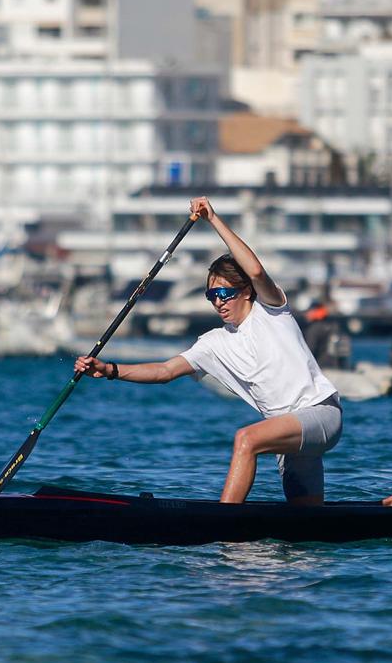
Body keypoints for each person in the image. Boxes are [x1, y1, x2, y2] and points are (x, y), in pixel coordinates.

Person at [74, 197, 343, 504]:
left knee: (246, 439)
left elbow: (255, 270)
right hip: (286, 436)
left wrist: (213, 219)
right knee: (307, 527)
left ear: (246, 292)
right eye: (211, 295)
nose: (218, 302)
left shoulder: (271, 309)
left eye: (224, 293)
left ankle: (223, 525)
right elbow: (165, 371)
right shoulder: (213, 344)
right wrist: (111, 370)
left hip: (321, 415)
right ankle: (391, 506)